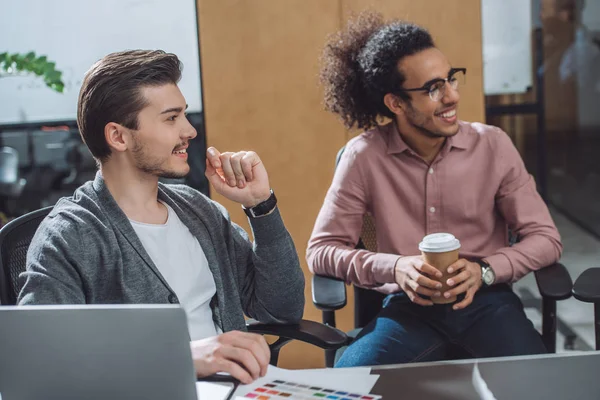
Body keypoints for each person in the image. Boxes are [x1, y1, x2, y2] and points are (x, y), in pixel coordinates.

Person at [18, 50, 305, 383]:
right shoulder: (70, 235)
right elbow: (42, 363)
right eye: (171, 118)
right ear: (119, 136)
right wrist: (181, 357)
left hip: (238, 390)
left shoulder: (198, 211)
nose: (190, 131)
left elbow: (281, 310)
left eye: (184, 115)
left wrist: (261, 206)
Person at [306, 12, 562, 367]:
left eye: (451, 79)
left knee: (544, 386)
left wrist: (485, 270)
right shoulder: (363, 157)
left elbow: (546, 238)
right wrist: (395, 268)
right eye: (433, 88)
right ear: (395, 103)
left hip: (489, 303)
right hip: (406, 310)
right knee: (349, 385)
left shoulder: (493, 146)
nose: (452, 96)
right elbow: (322, 251)